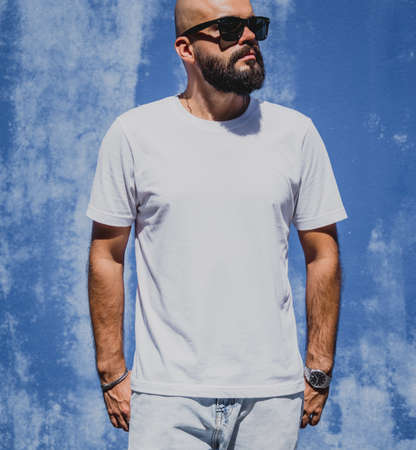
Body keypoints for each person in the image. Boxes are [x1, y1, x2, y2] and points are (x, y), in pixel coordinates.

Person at [86, 0, 348, 448]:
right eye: (229, 28)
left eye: (254, 25)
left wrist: (319, 369)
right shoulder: (134, 135)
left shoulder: (295, 134)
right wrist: (112, 373)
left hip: (270, 395)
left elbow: (323, 254)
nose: (248, 38)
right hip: (168, 396)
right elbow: (106, 256)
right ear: (186, 48)